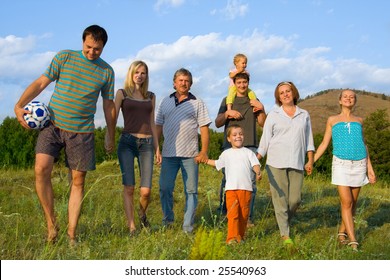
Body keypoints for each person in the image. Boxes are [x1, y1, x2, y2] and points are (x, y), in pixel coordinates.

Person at [13, 25, 116, 245]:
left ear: (103, 47)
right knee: (41, 169)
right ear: (82, 42)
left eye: (97, 49)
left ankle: (71, 235)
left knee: (78, 181)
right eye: (88, 47)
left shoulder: (107, 72)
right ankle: (51, 224)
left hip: (82, 131)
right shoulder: (64, 57)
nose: (91, 52)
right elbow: (42, 82)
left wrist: (110, 132)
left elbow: (108, 105)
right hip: (52, 124)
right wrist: (19, 105)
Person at [313, 89, 376, 251]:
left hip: (360, 164)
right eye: (345, 96)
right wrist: (311, 161)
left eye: (352, 96)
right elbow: (324, 144)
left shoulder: (360, 120)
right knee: (346, 202)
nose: (349, 98)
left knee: (353, 204)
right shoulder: (332, 120)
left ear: (355, 101)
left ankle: (342, 232)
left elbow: (364, 144)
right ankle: (353, 239)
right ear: (340, 101)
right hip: (341, 164)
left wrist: (370, 168)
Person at [257, 81, 314, 246]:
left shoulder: (304, 114)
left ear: (293, 93)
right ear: (278, 97)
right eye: (281, 93)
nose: (285, 94)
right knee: (280, 199)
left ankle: (282, 221)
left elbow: (309, 139)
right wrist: (257, 158)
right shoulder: (274, 114)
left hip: (297, 161)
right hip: (275, 162)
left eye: (288, 91)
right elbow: (265, 140)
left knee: (295, 200)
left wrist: (309, 159)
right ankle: (285, 234)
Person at [155, 68, 211, 233]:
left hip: (191, 155)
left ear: (191, 84)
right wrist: (157, 149)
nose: (183, 83)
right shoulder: (165, 101)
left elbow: (204, 128)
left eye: (186, 81)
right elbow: (158, 126)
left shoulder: (198, 102)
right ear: (174, 83)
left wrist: (204, 151)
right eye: (180, 80)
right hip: (168, 154)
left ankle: (187, 226)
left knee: (191, 191)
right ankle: (168, 221)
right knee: (165, 188)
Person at [114, 61, 162, 235]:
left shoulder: (150, 96)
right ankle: (132, 226)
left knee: (146, 191)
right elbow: (112, 117)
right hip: (127, 142)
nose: (140, 75)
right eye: (137, 72)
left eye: (143, 73)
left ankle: (142, 216)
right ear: (131, 73)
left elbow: (152, 122)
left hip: (147, 144)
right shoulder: (122, 93)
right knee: (129, 187)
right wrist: (109, 137)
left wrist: (157, 148)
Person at [215, 72, 266, 227]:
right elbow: (217, 123)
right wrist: (227, 113)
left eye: (245, 82)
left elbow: (263, 123)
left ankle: (247, 216)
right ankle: (226, 214)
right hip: (229, 147)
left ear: (248, 83)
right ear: (234, 84)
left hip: (250, 145)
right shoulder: (227, 101)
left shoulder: (254, 101)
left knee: (250, 184)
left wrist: (261, 109)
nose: (242, 85)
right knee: (227, 182)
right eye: (239, 83)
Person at [205, 124, 262, 244]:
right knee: (233, 214)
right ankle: (231, 238)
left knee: (243, 215)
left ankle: (240, 237)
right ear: (229, 138)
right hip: (231, 189)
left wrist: (257, 172)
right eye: (234, 135)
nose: (238, 137)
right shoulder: (226, 153)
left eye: (240, 134)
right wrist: (205, 160)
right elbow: (217, 164)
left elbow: (255, 164)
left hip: (246, 189)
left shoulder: (248, 152)